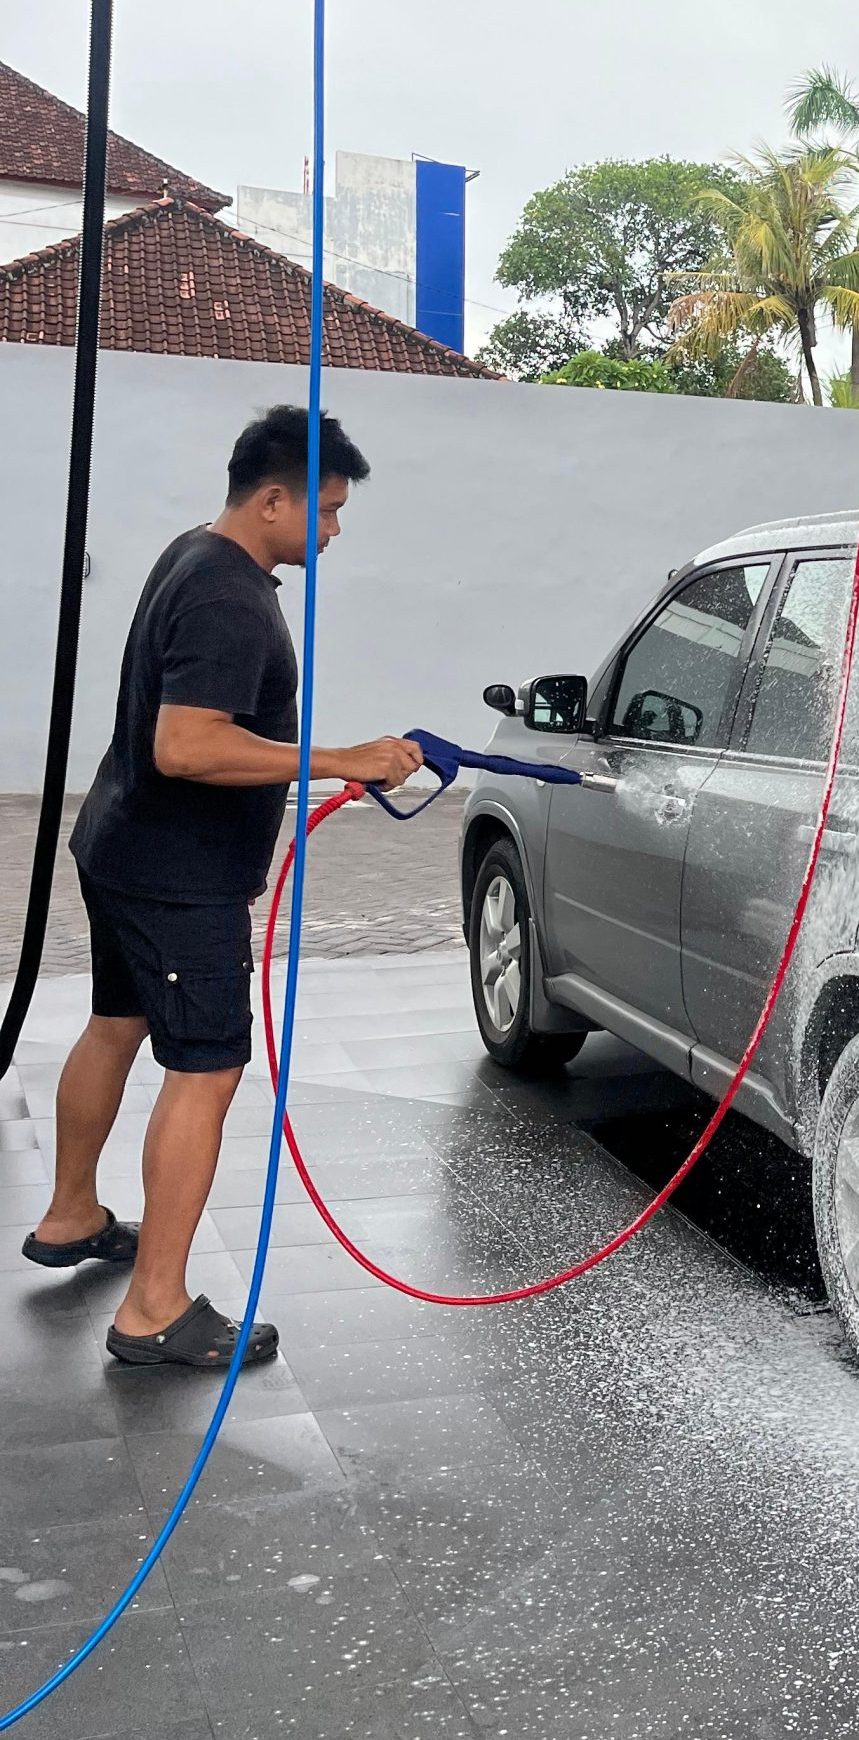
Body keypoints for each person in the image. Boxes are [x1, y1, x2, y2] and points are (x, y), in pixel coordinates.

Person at [19, 406, 423, 1369]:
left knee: (116, 1024)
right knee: (205, 1069)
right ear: (273, 499)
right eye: (327, 509)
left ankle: (72, 1215)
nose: (335, 530)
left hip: (122, 847)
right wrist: (341, 759)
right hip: (177, 878)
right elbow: (187, 745)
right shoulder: (228, 597)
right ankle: (154, 1310)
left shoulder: (193, 553)